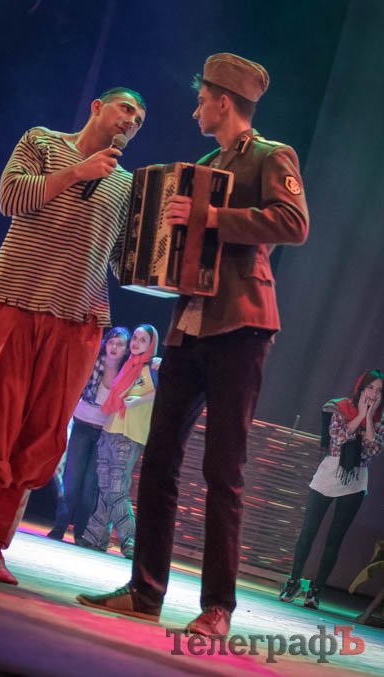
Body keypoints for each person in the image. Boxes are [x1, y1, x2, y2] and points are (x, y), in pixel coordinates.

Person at [76, 52, 309, 635]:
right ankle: (145, 591)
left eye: (202, 100)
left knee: (223, 469)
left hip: (242, 327)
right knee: (158, 458)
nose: (196, 110)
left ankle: (218, 608)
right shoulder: (203, 164)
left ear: (223, 103)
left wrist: (210, 215)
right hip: (188, 326)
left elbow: (294, 223)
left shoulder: (271, 155)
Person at [0, 87, 146, 585]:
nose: (131, 121)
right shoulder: (42, 141)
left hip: (79, 317)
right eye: (126, 109)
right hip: (17, 297)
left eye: (140, 119)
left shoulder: (126, 185)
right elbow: (10, 197)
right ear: (97, 107)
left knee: (41, 435)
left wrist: (168, 256)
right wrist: (78, 172)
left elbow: (122, 261)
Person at [279, 369, 384, 610]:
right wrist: (360, 414)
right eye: (370, 387)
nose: (374, 394)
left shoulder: (380, 419)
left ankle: (316, 590)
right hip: (328, 474)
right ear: (361, 387)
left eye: (379, 391)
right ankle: (293, 582)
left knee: (334, 539)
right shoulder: (340, 407)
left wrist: (369, 418)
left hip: (355, 480)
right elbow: (337, 439)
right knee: (308, 532)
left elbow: (374, 449)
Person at [80, 324, 159, 559]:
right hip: (109, 430)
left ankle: (131, 542)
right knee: (106, 488)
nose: (136, 343)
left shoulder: (154, 367)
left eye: (142, 340)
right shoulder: (127, 366)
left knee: (116, 489)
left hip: (129, 434)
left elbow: (166, 391)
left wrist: (140, 399)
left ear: (151, 345)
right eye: (135, 338)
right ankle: (95, 537)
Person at [47, 326, 131, 544]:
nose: (114, 347)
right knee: (72, 480)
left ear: (126, 349)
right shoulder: (93, 362)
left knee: (91, 486)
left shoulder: (128, 372)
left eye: (120, 344)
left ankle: (81, 533)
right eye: (111, 342)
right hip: (82, 425)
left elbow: (144, 381)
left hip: (105, 432)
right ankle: (59, 527)